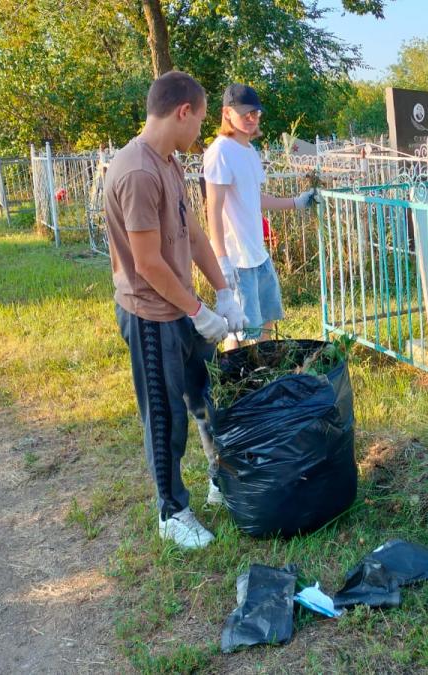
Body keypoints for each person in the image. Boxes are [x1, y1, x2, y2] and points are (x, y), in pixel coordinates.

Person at [105, 71, 248, 550]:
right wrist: (198, 311)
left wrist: (223, 290)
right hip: (152, 315)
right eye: (201, 120)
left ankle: (215, 480)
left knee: (205, 397)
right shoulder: (138, 172)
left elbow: (193, 236)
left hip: (182, 309)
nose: (201, 132)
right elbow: (146, 263)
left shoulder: (167, 162)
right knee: (165, 416)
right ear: (182, 111)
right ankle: (172, 510)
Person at [203, 83, 315, 349]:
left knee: (266, 321)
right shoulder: (220, 152)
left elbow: (255, 198)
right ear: (227, 113)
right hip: (237, 259)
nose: (252, 118)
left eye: (256, 113)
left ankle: (264, 376)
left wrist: (296, 203)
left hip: (258, 255)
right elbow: (213, 210)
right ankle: (239, 384)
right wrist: (221, 260)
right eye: (245, 113)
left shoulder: (249, 151)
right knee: (241, 331)